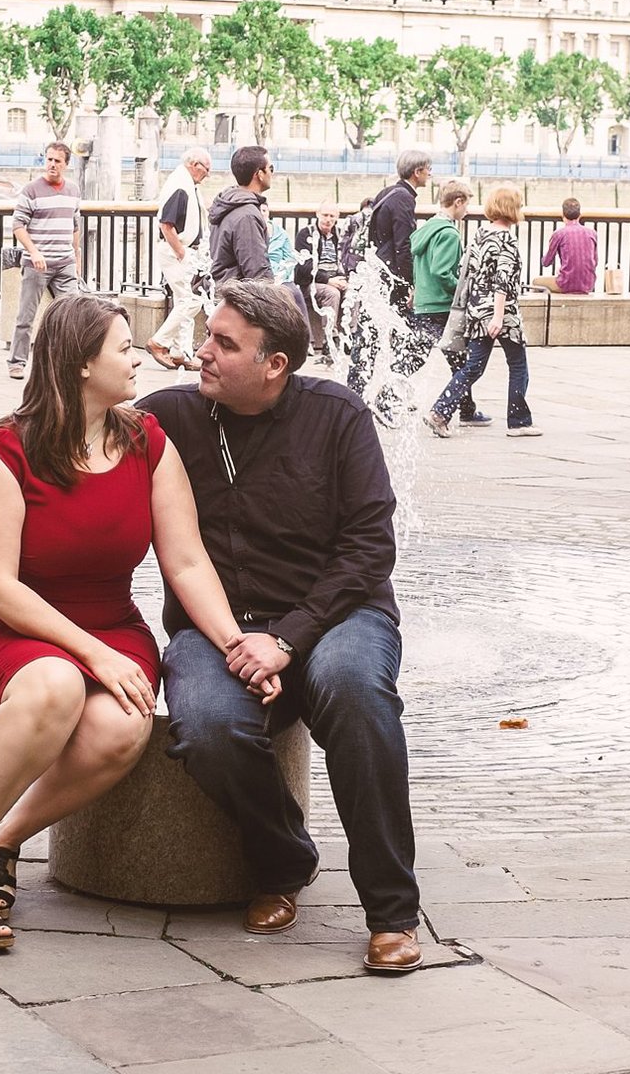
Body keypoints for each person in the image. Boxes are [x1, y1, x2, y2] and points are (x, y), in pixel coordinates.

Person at [0, 290, 252, 956]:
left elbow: (187, 560)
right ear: (82, 363)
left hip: (108, 624)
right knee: (57, 685)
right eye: (123, 347)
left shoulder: (145, 441)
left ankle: (4, 844)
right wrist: (93, 657)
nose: (136, 359)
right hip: (3, 629)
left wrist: (234, 643)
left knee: (120, 728)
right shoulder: (3, 452)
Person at [145, 280, 426, 974]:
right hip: (218, 628)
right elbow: (56, 446)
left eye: (223, 343)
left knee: (358, 694)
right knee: (208, 722)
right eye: (207, 334)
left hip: (338, 617)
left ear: (275, 364)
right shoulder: (171, 416)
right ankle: (284, 859)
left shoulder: (338, 416)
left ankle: (391, 911)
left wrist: (289, 637)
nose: (201, 352)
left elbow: (369, 548)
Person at [429, 179, 536, 438]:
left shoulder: (479, 234)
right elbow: (503, 279)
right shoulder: (507, 239)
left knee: (473, 366)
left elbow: (467, 273)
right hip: (503, 313)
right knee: (518, 365)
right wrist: (499, 315)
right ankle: (519, 422)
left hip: (476, 309)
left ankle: (440, 411)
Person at [7, 135, 83, 381]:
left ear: (66, 164)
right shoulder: (31, 190)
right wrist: (34, 251)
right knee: (26, 316)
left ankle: (68, 362)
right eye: (49, 159)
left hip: (65, 262)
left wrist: (76, 259)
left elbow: (75, 226)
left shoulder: (73, 190)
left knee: (73, 314)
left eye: (57, 161)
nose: (52, 164)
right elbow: (18, 225)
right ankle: (17, 362)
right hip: (37, 263)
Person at [411, 179, 478, 415]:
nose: (467, 210)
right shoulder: (449, 234)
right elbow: (442, 272)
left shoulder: (427, 229)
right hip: (440, 306)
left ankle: (467, 407)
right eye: (467, 205)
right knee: (461, 361)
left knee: (421, 357)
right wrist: (459, 291)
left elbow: (419, 268)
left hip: (423, 303)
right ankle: (386, 399)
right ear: (457, 202)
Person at [152, 146, 215, 365]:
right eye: (206, 170)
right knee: (191, 301)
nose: (206, 175)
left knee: (184, 300)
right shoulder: (181, 186)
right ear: (194, 165)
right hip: (177, 249)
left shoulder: (184, 184)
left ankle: (181, 352)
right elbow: (166, 224)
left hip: (182, 249)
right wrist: (181, 252)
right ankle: (159, 341)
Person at [365, 150, 428, 315]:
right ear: (417, 172)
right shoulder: (404, 198)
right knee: (401, 321)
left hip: (378, 265)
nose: (430, 173)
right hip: (392, 272)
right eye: (428, 168)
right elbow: (403, 244)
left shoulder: (387, 192)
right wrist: (410, 283)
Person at [209, 141, 275, 287]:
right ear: (259, 174)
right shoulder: (247, 215)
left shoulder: (228, 203)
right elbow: (257, 271)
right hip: (236, 294)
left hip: (222, 287)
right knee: (292, 295)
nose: (272, 173)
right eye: (271, 168)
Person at [297, 208, 348, 361]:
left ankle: (350, 336)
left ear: (337, 218)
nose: (328, 219)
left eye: (332, 216)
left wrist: (345, 279)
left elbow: (347, 260)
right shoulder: (306, 234)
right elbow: (303, 267)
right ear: (318, 215)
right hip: (311, 283)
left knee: (355, 291)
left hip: (336, 279)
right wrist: (328, 280)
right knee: (332, 292)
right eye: (325, 215)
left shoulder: (340, 236)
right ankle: (329, 339)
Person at [539, 196, 598, 298]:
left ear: (562, 215)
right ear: (580, 215)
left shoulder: (559, 234)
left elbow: (546, 262)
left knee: (536, 282)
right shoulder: (592, 233)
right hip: (588, 285)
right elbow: (595, 262)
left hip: (565, 284)